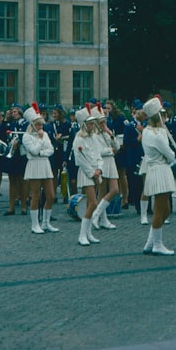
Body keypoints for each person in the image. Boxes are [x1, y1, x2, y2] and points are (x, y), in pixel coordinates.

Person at [140, 96, 176, 256]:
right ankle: (157, 244)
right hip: (160, 170)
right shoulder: (157, 135)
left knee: (165, 209)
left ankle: (150, 242)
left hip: (156, 170)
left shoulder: (148, 132)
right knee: (160, 209)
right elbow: (170, 155)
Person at [21, 103, 59, 233]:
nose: (40, 127)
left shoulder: (45, 134)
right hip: (34, 165)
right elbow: (33, 150)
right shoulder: (26, 137)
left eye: (41, 125)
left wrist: (41, 151)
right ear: (32, 124)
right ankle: (34, 224)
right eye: (37, 125)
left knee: (50, 195)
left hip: (45, 164)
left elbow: (51, 150)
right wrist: (40, 140)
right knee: (36, 195)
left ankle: (46, 223)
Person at [73, 104, 103, 246]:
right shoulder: (78, 139)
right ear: (84, 124)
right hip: (86, 174)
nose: (93, 126)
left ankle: (89, 233)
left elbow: (99, 155)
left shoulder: (94, 138)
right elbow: (80, 160)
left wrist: (99, 169)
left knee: (93, 204)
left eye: (93, 123)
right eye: (90, 124)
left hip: (96, 173)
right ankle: (82, 235)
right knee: (92, 203)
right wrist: (92, 173)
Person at [91, 103, 121, 231]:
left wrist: (111, 135)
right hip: (103, 162)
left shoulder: (107, 132)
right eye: (101, 123)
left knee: (114, 190)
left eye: (105, 122)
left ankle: (98, 215)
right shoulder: (95, 135)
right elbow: (99, 151)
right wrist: (110, 150)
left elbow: (118, 147)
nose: (104, 124)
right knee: (102, 192)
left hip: (111, 163)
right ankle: (99, 217)